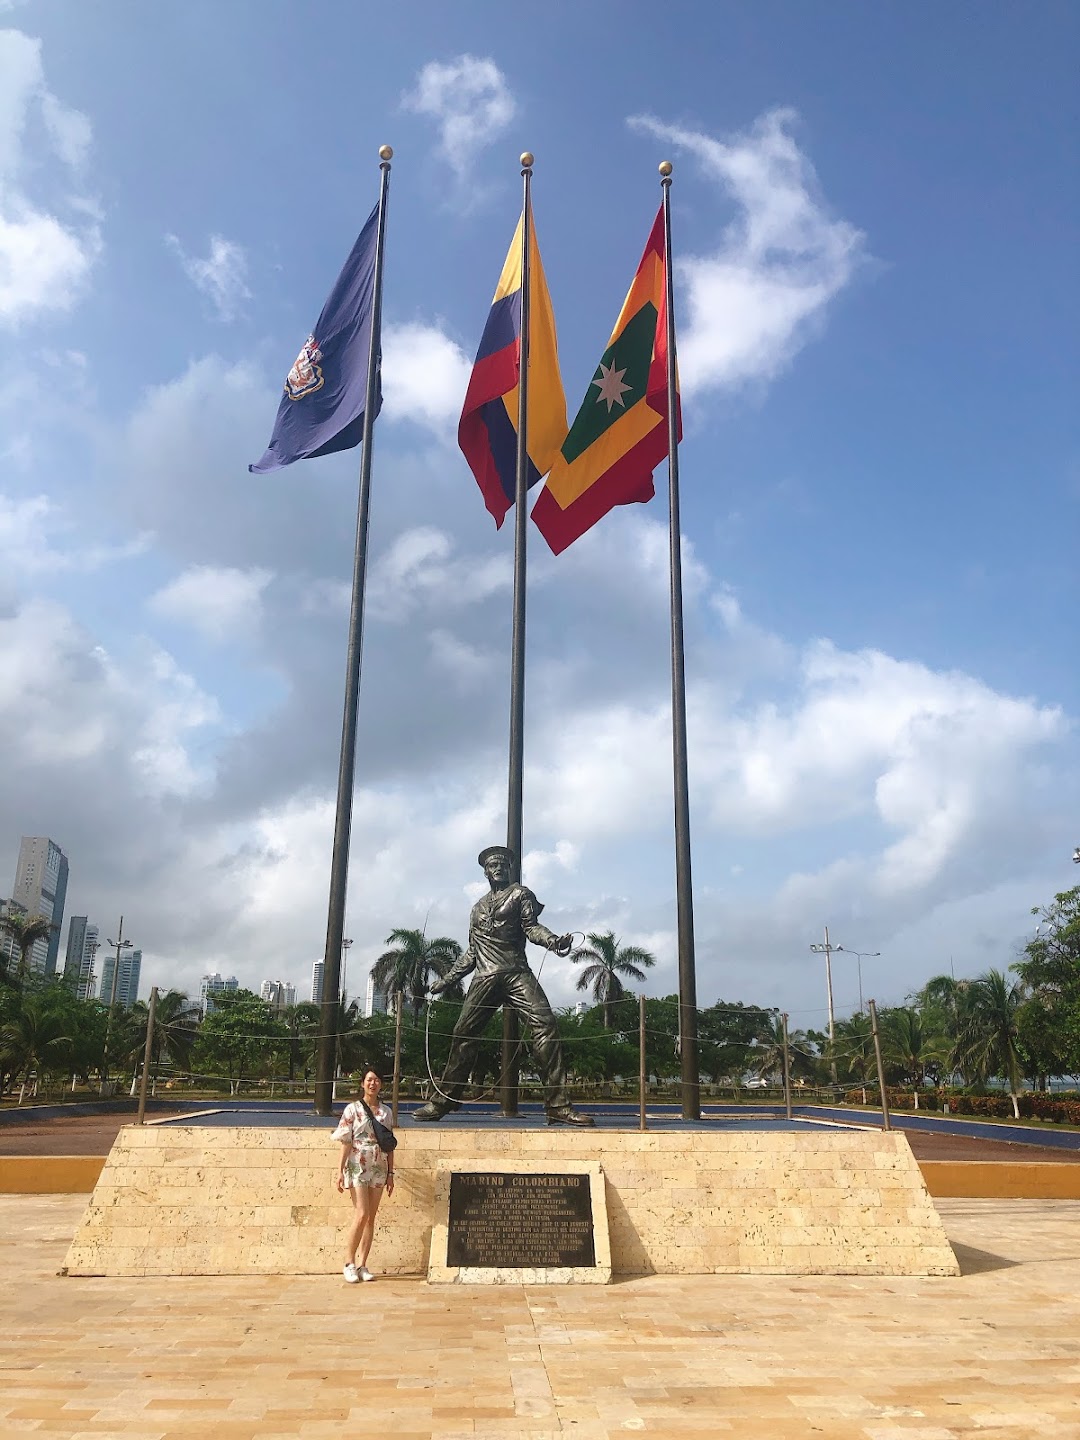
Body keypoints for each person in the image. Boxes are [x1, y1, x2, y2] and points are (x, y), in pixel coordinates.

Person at [412, 845, 595, 1126]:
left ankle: (558, 1106)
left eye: (503, 864)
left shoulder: (521, 894)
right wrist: (447, 980)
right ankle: (443, 1100)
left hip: (515, 972)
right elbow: (472, 952)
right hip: (484, 977)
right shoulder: (476, 909)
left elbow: (531, 927)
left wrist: (553, 941)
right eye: (493, 865)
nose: (498, 868)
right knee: (462, 1033)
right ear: (485, 871)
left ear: (510, 869)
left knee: (545, 1025)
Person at [332, 1067, 395, 1282]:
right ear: (362, 1084)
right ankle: (348, 1262)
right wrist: (339, 1170)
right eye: (369, 1080)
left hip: (378, 1162)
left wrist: (391, 1173)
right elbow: (345, 1141)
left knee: (371, 1217)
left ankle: (362, 1264)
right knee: (361, 1213)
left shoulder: (386, 1112)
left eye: (377, 1080)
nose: (373, 1084)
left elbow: (389, 1143)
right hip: (358, 1162)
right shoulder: (352, 1110)